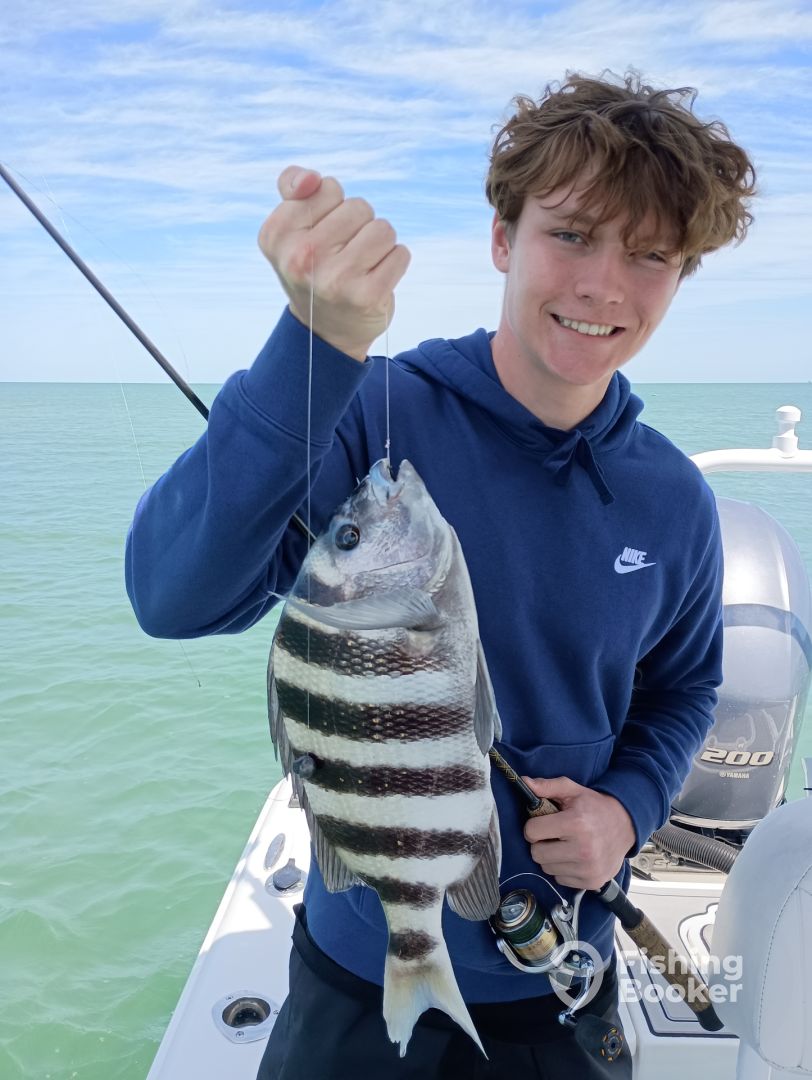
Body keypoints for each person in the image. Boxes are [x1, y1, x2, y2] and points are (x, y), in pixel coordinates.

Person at [126, 71, 757, 1078]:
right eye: (571, 234)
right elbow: (171, 596)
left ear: (680, 276)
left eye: (649, 255)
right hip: (355, 976)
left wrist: (629, 808)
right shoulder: (364, 413)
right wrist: (314, 346)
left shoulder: (673, 498)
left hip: (559, 981)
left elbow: (684, 689)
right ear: (503, 239)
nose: (603, 285)